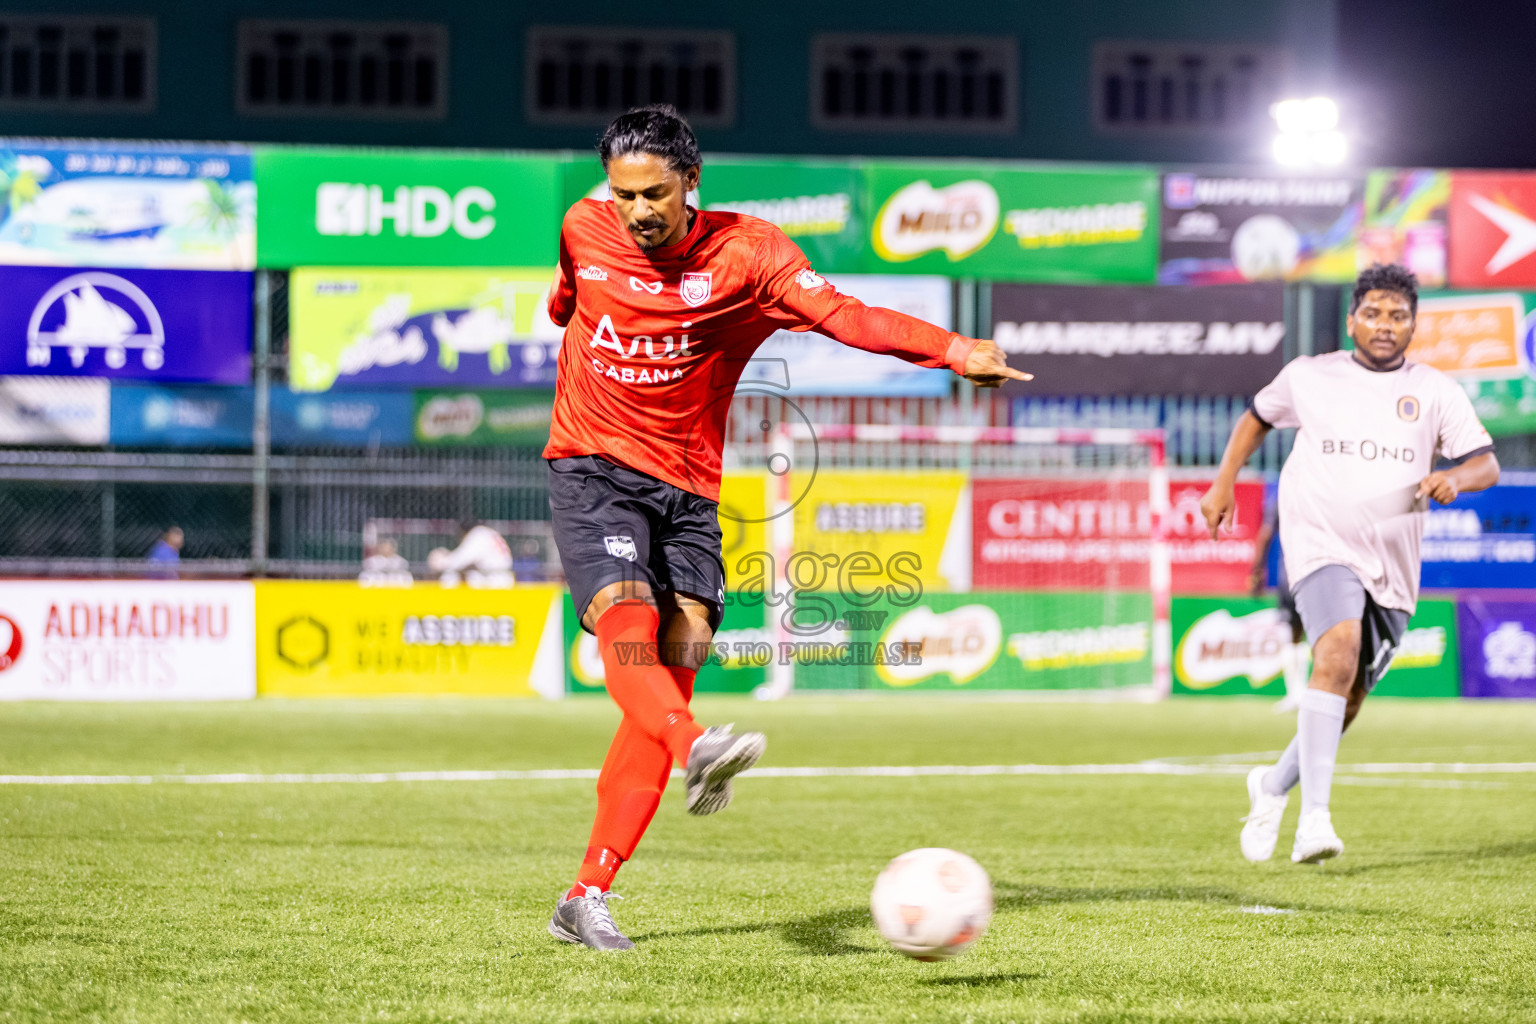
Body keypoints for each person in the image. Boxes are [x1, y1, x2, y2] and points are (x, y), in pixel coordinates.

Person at [543, 104, 1031, 950]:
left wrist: (955, 350)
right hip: (589, 464)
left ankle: (585, 893)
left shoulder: (750, 255)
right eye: (622, 195)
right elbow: (565, 303)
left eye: (654, 193)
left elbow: (849, 317)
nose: (636, 212)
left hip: (688, 490)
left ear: (692, 183)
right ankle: (695, 746)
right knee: (626, 629)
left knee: (678, 659)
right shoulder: (584, 227)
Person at [1201, 263, 1498, 866]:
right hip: (1319, 543)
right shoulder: (1310, 376)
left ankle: (1271, 786)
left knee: (1349, 696)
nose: (1386, 325)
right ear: (1352, 319)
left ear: (1414, 324)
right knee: (1335, 653)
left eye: (1398, 315)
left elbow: (1485, 465)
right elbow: (1256, 416)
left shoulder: (1436, 390)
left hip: (1391, 561)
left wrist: (1454, 479)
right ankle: (1316, 820)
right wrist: (1224, 481)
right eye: (1374, 313)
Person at [1249, 496, 1308, 713]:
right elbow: (1266, 535)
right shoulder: (1293, 498)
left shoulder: (1285, 496)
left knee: (1295, 634)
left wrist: (1256, 571)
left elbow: (1266, 534)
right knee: (1303, 634)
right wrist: (1257, 571)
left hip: (1294, 574)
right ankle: (1299, 693)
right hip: (1308, 575)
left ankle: (1299, 693)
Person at [427, 519, 514, 588]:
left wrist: (440, 559)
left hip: (494, 582)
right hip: (504, 578)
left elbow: (456, 562)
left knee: (450, 576)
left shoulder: (478, 534)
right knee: (467, 573)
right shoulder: (489, 532)